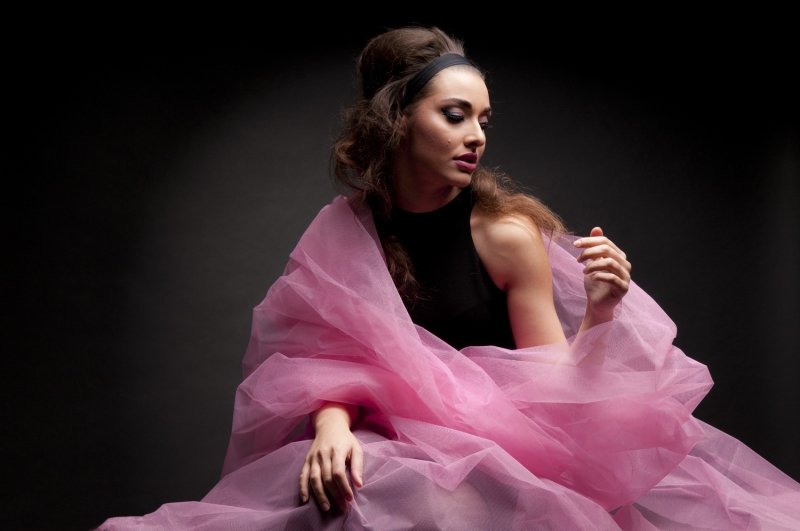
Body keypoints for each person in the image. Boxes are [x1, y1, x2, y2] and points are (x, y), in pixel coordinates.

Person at [101, 27, 800, 530]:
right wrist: (331, 426)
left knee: (422, 494)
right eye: (455, 115)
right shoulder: (345, 231)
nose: (477, 136)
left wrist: (602, 314)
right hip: (391, 453)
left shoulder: (506, 234)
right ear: (398, 120)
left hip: (512, 460)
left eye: (483, 119)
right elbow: (319, 364)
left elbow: (555, 390)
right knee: (349, 484)